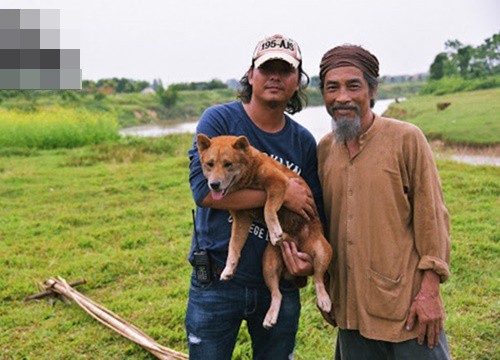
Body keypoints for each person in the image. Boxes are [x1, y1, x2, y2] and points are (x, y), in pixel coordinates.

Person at [186, 34, 324, 360]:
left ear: (297, 82)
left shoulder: (303, 141)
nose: (274, 77)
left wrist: (306, 261)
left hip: (280, 282)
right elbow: (204, 191)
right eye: (266, 69)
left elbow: (313, 211)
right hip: (217, 282)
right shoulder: (220, 121)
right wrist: (280, 194)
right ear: (251, 76)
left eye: (285, 70)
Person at [316, 45, 452, 359]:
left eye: (354, 86)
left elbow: (432, 217)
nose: (342, 97)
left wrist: (430, 293)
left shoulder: (406, 139)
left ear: (373, 89)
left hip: (406, 308)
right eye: (331, 87)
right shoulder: (324, 150)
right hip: (350, 310)